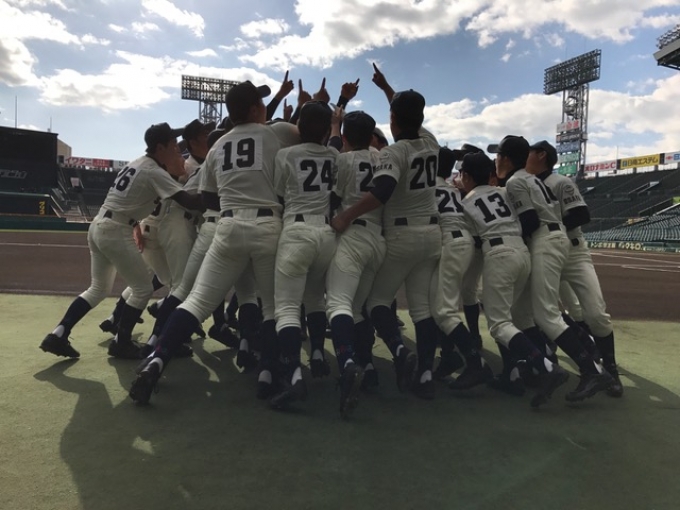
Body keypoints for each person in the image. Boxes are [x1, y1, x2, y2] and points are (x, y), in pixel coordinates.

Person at [129, 81, 300, 405]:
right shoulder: (275, 134)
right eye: (261, 104)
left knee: (195, 301)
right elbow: (307, 137)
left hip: (228, 225)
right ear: (255, 108)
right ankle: (267, 374)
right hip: (268, 225)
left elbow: (207, 198)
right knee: (272, 307)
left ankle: (157, 360)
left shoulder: (218, 145)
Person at [40, 123, 204, 360]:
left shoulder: (137, 163)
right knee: (143, 289)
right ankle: (121, 342)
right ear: (160, 147)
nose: (176, 148)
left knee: (98, 289)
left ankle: (59, 333)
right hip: (116, 229)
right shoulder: (154, 171)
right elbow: (188, 201)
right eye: (172, 144)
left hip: (99, 225)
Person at [332, 64, 441, 399]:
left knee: (376, 302)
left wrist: (345, 215)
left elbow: (382, 191)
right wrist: (387, 89)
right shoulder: (431, 143)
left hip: (399, 235)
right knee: (421, 309)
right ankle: (424, 374)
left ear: (392, 118)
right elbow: (407, 115)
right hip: (432, 235)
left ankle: (396, 351)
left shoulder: (393, 152)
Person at [493, 136, 613, 402]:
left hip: (544, 240)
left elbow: (530, 221)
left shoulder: (515, 182)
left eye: (498, 155)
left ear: (507, 159)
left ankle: (591, 369)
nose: (496, 160)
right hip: (553, 237)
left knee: (546, 314)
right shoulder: (531, 178)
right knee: (523, 312)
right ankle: (545, 363)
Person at [458, 151, 570, 407]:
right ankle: (514, 373)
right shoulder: (503, 191)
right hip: (523, 253)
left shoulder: (465, 202)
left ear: (466, 176)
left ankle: (546, 367)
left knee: (499, 323)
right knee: (515, 317)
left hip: (499, 255)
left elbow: (474, 241)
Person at [535, 141, 623, 397]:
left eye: (530, 152)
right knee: (549, 310)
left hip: (573, 252)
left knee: (595, 313)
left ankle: (610, 369)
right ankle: (586, 361)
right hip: (545, 252)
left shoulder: (560, 181)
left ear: (541, 155)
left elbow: (582, 215)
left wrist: (550, 225)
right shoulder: (526, 183)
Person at [269, 100, 339, 410]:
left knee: (286, 308)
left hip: (296, 229)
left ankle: (294, 376)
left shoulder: (286, 154)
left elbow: (279, 193)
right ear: (325, 130)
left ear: (299, 125)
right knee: (315, 299)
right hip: (326, 232)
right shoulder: (334, 155)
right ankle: (319, 353)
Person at [325, 109, 385, 416]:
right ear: (373, 136)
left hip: (351, 234)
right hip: (379, 238)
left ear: (346, 136)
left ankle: (348, 362)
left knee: (338, 304)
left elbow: (332, 198)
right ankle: (368, 366)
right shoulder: (384, 157)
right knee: (359, 309)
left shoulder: (343, 159)